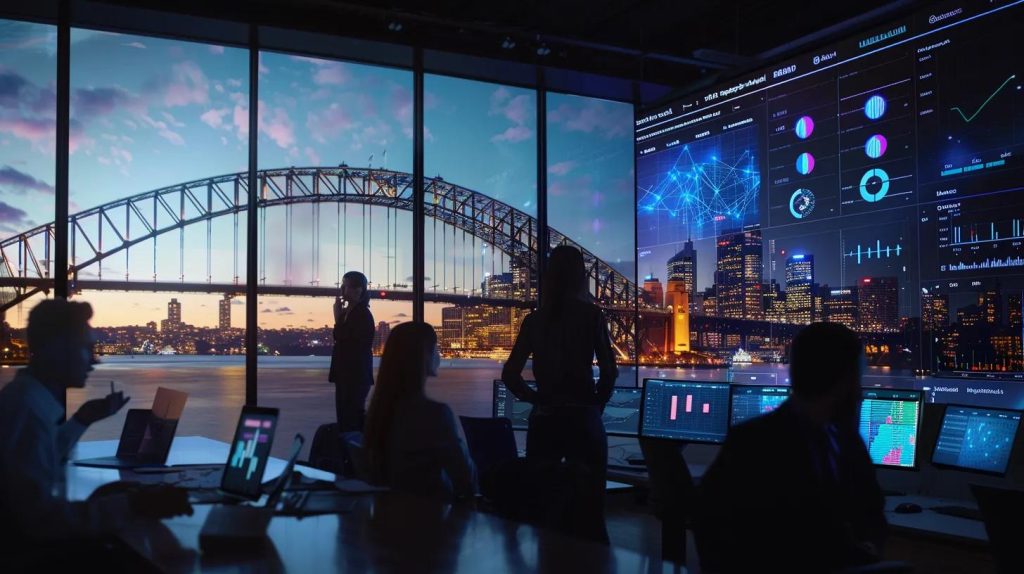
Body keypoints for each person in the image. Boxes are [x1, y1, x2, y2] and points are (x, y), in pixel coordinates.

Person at [0, 300, 191, 557]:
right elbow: (41, 521)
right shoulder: (28, 414)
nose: (95, 361)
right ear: (56, 350)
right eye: (86, 349)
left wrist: (82, 419)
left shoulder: (23, 400)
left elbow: (38, 458)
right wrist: (134, 505)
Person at [694, 322, 887, 573]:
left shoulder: (846, 441)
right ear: (845, 381)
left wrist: (865, 547)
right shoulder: (754, 443)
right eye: (858, 378)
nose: (861, 392)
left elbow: (872, 514)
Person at [501, 245, 618, 543]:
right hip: (583, 419)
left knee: (544, 506)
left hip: (546, 420)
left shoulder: (534, 320)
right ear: (581, 277)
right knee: (591, 505)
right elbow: (608, 370)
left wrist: (535, 399)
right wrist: (597, 404)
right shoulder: (591, 315)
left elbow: (510, 375)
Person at [363, 322, 476, 501]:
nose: (438, 355)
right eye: (435, 348)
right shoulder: (436, 415)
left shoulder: (378, 413)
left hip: (388, 519)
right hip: (432, 521)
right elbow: (464, 479)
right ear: (423, 356)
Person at [328, 270, 375, 432]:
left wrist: (336, 317)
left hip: (355, 376)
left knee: (351, 421)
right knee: (345, 420)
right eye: (342, 285)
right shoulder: (349, 312)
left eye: (345, 286)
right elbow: (340, 338)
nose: (342, 290)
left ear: (358, 290)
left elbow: (346, 341)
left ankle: (355, 455)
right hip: (346, 374)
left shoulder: (363, 314)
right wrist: (340, 317)